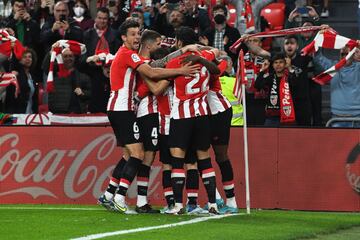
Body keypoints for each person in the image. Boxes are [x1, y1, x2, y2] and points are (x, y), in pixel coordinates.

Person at [99, 19, 199, 213]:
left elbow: (156, 63)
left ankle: (109, 195)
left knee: (129, 154)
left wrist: (181, 51)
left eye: (138, 33)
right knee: (139, 154)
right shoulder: (128, 54)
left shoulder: (130, 55)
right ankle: (120, 198)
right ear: (123, 37)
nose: (136, 37)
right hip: (122, 109)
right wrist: (181, 70)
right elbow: (153, 72)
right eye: (133, 34)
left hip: (123, 108)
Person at [164, 26, 220, 214]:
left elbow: (156, 69)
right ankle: (212, 204)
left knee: (178, 161)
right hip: (202, 115)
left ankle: (179, 205)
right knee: (204, 160)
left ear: (179, 42)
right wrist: (201, 52)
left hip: (181, 116)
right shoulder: (206, 58)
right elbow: (216, 53)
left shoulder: (175, 62)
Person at [314, 43, 360, 128]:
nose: (345, 57)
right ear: (339, 55)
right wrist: (319, 36)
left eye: (348, 54)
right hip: (336, 118)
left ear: (353, 55)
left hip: (357, 118)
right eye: (343, 54)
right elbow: (317, 56)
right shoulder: (333, 67)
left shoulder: (359, 67)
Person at [255, 54, 297, 126]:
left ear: (285, 64)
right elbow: (257, 85)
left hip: (287, 115)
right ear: (273, 65)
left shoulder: (289, 77)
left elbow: (296, 85)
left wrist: (290, 67)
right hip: (271, 117)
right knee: (269, 137)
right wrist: (262, 70)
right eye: (276, 62)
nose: (278, 65)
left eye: (281, 62)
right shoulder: (270, 77)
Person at [48, 47, 91, 113]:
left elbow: (91, 93)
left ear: (74, 58)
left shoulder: (83, 76)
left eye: (70, 56)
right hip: (59, 113)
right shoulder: (54, 74)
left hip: (78, 114)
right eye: (65, 56)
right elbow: (46, 66)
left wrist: (83, 93)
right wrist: (51, 52)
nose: (68, 58)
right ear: (61, 59)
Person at [4, 48, 40, 113]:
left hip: (30, 114)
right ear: (19, 60)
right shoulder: (16, 74)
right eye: (24, 57)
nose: (28, 59)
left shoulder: (33, 76)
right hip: (18, 114)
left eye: (30, 57)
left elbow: (34, 98)